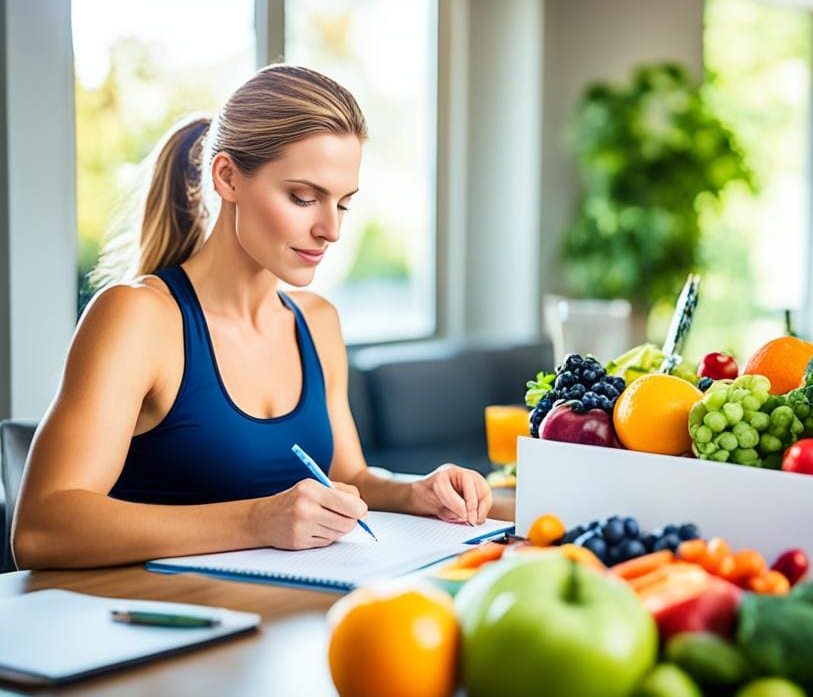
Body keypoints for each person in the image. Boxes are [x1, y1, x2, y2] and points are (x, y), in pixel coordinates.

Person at [13, 64, 493, 569]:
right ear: (227, 178)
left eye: (344, 204)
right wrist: (256, 521)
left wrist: (416, 490)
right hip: (153, 625)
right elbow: (42, 528)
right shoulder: (139, 318)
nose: (330, 229)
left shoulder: (317, 322)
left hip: (276, 620)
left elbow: (348, 474)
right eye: (303, 198)